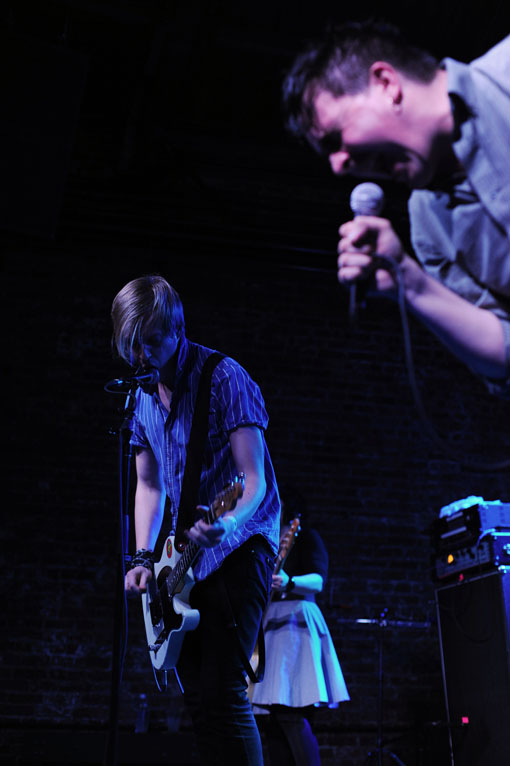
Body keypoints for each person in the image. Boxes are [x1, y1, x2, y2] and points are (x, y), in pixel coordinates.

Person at [282, 21, 510, 397]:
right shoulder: (429, 225)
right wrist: (410, 282)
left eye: (335, 139)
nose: (338, 166)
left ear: (386, 84)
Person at [111, 275, 280, 765]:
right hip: (182, 560)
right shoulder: (141, 399)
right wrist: (143, 557)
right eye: (131, 346)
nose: (142, 356)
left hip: (240, 545)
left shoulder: (224, 378)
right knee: (199, 703)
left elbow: (254, 481)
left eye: (152, 342)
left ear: (177, 328)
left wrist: (228, 525)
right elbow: (149, 485)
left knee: (225, 692)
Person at [251, 487, 350, 765]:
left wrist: (290, 581)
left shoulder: (306, 536)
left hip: (296, 623)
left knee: (291, 712)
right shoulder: (268, 540)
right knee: (271, 718)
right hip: (271, 625)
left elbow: (319, 581)